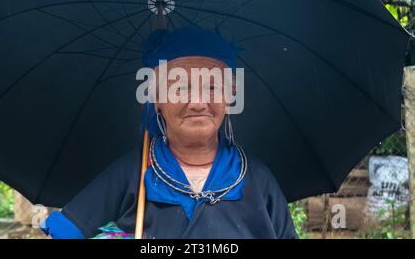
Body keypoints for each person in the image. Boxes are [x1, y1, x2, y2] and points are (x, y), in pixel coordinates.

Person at [40, 26, 298, 239]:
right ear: (157, 99)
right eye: (181, 88)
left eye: (211, 87)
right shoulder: (133, 172)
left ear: (230, 95)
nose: (198, 102)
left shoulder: (258, 180)